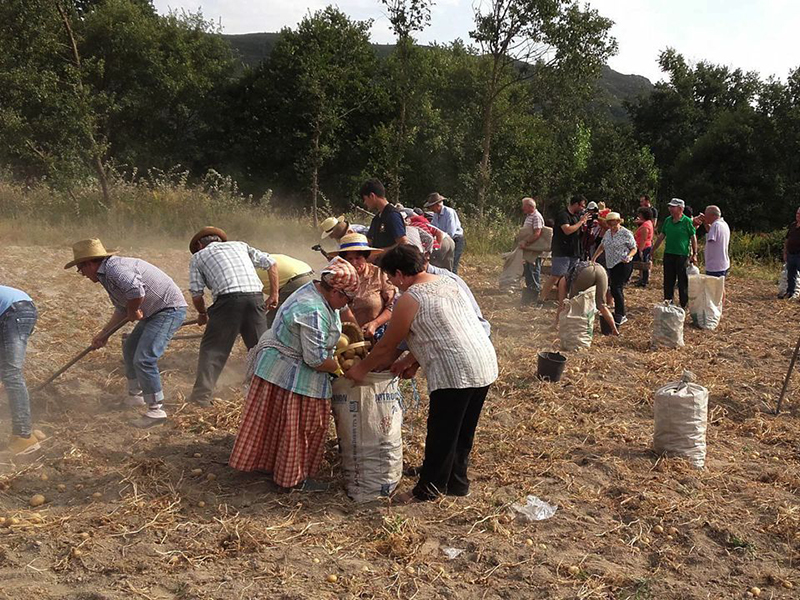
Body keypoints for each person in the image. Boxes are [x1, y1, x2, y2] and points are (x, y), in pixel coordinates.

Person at [346, 245, 498, 503]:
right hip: (484, 362)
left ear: (399, 273)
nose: (392, 283)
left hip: (456, 371)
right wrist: (409, 360)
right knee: (462, 431)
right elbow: (443, 328)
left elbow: (386, 345)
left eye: (391, 277)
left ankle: (428, 489)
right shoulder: (449, 283)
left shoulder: (411, 297)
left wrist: (360, 369)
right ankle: (457, 482)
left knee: (442, 431)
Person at [229, 257, 358, 491]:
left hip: (279, 367)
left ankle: (271, 465)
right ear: (336, 291)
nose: (346, 304)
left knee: (276, 423)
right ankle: (293, 479)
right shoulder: (312, 309)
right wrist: (340, 368)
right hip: (290, 370)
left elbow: (342, 322)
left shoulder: (317, 289)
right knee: (300, 428)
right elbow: (316, 359)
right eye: (347, 299)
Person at [66, 238, 187, 428]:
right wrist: (104, 334)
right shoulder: (106, 276)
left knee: (145, 358)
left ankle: (156, 410)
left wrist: (133, 310)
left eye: (81, 269)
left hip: (168, 309)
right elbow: (123, 309)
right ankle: (135, 396)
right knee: (130, 348)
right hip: (153, 312)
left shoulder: (115, 268)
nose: (82, 274)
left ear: (89, 263)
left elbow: (136, 292)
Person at [187, 227, 279, 407]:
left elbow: (197, 294)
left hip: (227, 302)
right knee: (261, 349)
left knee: (213, 350)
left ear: (199, 244)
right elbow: (271, 263)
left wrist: (202, 314)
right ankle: (271, 394)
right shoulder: (240, 246)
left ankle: (201, 397)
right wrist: (274, 294)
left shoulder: (198, 257)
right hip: (254, 298)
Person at [329, 233, 396, 341]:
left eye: (358, 258)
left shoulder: (379, 274)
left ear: (366, 257)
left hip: (376, 335)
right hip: (346, 338)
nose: (354, 263)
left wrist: (375, 323)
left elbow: (393, 306)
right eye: (349, 259)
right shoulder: (338, 276)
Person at [1, 286, 40, 454]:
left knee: (11, 373)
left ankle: (24, 436)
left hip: (13, 312)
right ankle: (20, 434)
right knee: (8, 371)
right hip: (19, 308)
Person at [540, 195, 589, 303]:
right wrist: (580, 222)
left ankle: (564, 300)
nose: (583, 208)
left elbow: (578, 232)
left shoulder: (576, 217)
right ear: (575, 204)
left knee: (570, 278)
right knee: (556, 276)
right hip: (562, 251)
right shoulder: (563, 215)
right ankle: (541, 299)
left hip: (574, 252)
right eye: (582, 205)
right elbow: (567, 230)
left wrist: (583, 225)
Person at [591, 212, 637, 325]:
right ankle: (619, 313)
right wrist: (593, 258)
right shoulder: (607, 233)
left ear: (618, 222)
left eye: (614, 223)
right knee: (614, 288)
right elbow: (602, 246)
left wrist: (629, 256)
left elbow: (634, 248)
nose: (612, 225)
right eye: (610, 223)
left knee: (616, 288)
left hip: (622, 263)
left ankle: (620, 314)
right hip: (611, 264)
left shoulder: (626, 233)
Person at [651, 198, 698, 309]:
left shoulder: (687, 221)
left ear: (680, 208)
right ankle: (668, 302)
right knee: (668, 280)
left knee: (682, 281)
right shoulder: (668, 220)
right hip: (669, 254)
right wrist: (653, 250)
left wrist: (694, 253)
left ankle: (683, 304)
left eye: (673, 207)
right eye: (670, 206)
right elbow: (661, 236)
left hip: (682, 255)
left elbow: (693, 237)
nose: (670, 209)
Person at [554, 262, 618, 336]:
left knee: (574, 304)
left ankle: (576, 329)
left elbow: (561, 305)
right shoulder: (571, 275)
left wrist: (555, 323)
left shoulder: (562, 281)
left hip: (585, 272)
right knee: (602, 305)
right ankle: (614, 329)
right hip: (600, 269)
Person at [259, 254, 315, 327]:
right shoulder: (258, 257)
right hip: (310, 274)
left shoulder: (246, 269)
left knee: (270, 325)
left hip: (294, 282)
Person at [362, 179, 410, 250]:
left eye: (365, 199)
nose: (364, 203)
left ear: (372, 196)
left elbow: (403, 243)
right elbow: (369, 241)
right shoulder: (376, 219)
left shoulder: (392, 215)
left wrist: (380, 253)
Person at [425, 192, 465, 273]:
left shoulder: (449, 212)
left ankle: (454, 282)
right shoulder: (436, 214)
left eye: (432, 206)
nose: (431, 209)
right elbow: (433, 228)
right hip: (444, 239)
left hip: (455, 240)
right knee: (442, 264)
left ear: (437, 205)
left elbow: (451, 232)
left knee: (452, 264)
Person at [518, 197, 547, 305]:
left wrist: (525, 242)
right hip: (530, 250)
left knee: (534, 272)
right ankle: (529, 296)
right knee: (529, 272)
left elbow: (537, 233)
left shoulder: (536, 217)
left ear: (530, 206)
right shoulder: (529, 216)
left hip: (534, 251)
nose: (522, 208)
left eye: (524, 205)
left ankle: (533, 298)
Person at [696, 205, 730, 277]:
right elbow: (711, 231)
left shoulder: (715, 225)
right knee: (719, 287)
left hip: (715, 267)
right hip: (723, 264)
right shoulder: (723, 224)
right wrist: (705, 223)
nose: (705, 216)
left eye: (706, 214)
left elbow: (711, 238)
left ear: (712, 215)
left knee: (713, 288)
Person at [633, 207, 655, 287]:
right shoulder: (648, 222)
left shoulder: (645, 226)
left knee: (644, 264)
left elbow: (643, 239)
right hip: (646, 246)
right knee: (644, 265)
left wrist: (640, 251)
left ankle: (644, 281)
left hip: (644, 247)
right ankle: (643, 280)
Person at [782, 207, 800, 298]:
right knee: (791, 275)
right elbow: (787, 239)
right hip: (791, 254)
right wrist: (785, 252)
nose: (798, 216)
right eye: (797, 214)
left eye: (799, 214)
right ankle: (790, 292)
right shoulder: (793, 225)